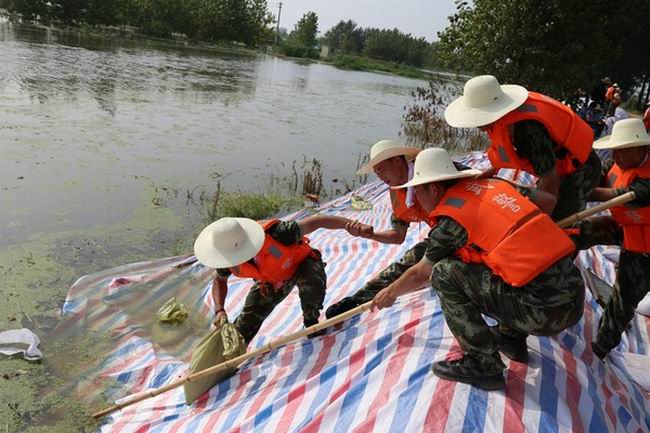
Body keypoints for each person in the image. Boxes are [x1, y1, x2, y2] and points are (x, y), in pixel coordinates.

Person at [371, 148, 583, 390]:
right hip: (574, 294)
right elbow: (548, 201)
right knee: (488, 260)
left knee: (444, 273)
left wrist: (390, 292)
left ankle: (483, 363)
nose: (416, 198)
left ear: (434, 189)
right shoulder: (495, 185)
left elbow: (421, 273)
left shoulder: (452, 220)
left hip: (546, 313)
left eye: (418, 190)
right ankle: (511, 338)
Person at [193, 215, 373, 344]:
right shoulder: (227, 258)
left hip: (302, 264)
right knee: (244, 326)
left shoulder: (279, 232)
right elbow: (219, 281)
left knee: (311, 282)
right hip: (273, 280)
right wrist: (219, 310)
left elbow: (318, 221)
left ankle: (311, 322)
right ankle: (233, 353)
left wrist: (353, 226)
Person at [444, 75, 601, 221]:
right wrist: (486, 176)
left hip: (581, 169)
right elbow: (503, 153)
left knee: (559, 223)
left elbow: (550, 178)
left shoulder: (526, 131)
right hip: (555, 165)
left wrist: (541, 218)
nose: (475, 124)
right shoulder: (504, 120)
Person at [571, 119, 650, 359]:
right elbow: (599, 177)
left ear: (640, 149)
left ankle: (602, 347)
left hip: (644, 249)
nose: (615, 155)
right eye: (614, 149)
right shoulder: (616, 163)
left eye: (622, 150)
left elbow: (617, 195)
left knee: (624, 297)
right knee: (578, 232)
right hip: (626, 227)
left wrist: (581, 190)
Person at [325, 140, 431, 318]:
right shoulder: (395, 190)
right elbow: (397, 235)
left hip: (461, 230)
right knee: (403, 265)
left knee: (426, 270)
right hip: (440, 235)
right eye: (376, 173)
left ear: (397, 161)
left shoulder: (430, 172)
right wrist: (370, 235)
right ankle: (357, 300)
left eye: (382, 169)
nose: (380, 177)